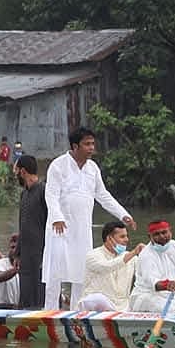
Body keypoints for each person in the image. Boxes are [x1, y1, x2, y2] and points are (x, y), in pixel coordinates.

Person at [43, 128, 135, 310]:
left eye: (93, 143)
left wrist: (123, 214)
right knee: (55, 272)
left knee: (82, 272)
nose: (92, 148)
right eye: (87, 144)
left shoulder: (92, 168)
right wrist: (57, 217)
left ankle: (77, 311)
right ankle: (49, 311)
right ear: (75, 146)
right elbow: (51, 194)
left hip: (82, 229)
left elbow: (103, 195)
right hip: (60, 227)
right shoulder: (58, 165)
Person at [77, 221, 145, 311]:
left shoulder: (131, 258)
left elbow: (145, 272)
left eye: (126, 236)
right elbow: (107, 267)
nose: (127, 240)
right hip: (97, 306)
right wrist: (133, 253)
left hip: (123, 307)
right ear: (109, 238)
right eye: (122, 237)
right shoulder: (93, 255)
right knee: (97, 299)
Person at [14, 155, 47, 309]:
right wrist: (18, 253)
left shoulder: (44, 191)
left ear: (23, 171)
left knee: (40, 290)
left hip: (42, 251)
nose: (15, 175)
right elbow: (22, 225)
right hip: (26, 254)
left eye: (16, 171)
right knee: (26, 291)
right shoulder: (24, 194)